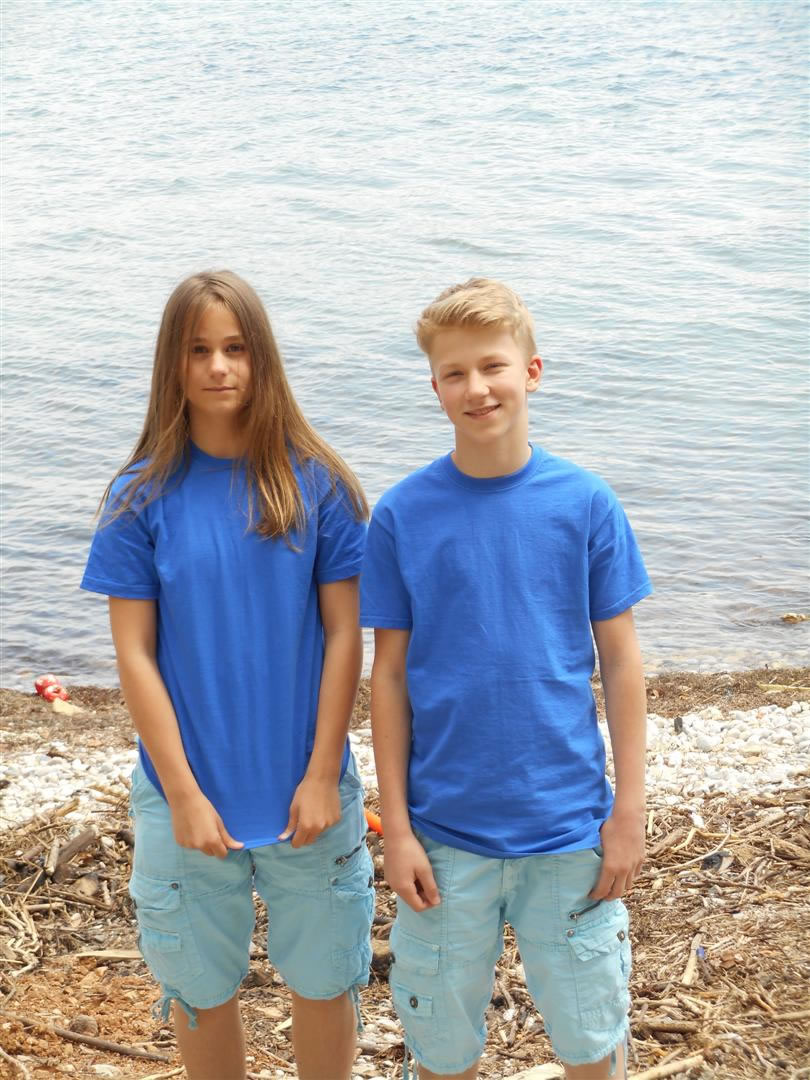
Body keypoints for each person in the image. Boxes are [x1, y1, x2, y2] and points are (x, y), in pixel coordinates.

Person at [81, 270, 374, 1080]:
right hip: (184, 794)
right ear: (172, 364)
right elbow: (135, 655)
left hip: (310, 792)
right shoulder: (140, 499)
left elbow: (345, 634)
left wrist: (322, 774)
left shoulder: (316, 483)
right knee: (201, 989)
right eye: (199, 350)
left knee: (326, 980)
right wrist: (181, 793)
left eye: (236, 348)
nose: (219, 367)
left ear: (261, 357)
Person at [360, 278, 652, 1080]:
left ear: (532, 371)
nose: (476, 388)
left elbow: (621, 662)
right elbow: (389, 678)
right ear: (434, 387)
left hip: (569, 830)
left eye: (492, 366)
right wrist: (399, 829)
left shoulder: (585, 503)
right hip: (445, 835)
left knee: (592, 1040)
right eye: (454, 373)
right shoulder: (402, 515)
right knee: (441, 1047)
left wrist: (628, 810)